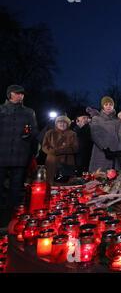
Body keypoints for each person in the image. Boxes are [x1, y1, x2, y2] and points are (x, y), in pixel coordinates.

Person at [0, 85, 38, 225]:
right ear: (10, 94)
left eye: (22, 94)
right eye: (18, 93)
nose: (21, 96)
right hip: (2, 153)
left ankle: (13, 218)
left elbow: (34, 131)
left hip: (20, 153)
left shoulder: (29, 112)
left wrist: (28, 136)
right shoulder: (1, 110)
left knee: (16, 187)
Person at [89, 96, 121, 171]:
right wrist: (104, 149)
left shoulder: (117, 120)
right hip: (101, 152)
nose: (108, 106)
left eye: (110, 104)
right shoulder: (96, 119)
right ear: (103, 106)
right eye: (106, 104)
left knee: (115, 177)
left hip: (114, 153)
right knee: (99, 177)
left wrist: (119, 150)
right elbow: (95, 135)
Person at [42, 115, 78, 185]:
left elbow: (75, 148)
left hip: (67, 161)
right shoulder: (50, 133)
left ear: (68, 124)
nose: (62, 124)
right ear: (56, 123)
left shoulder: (72, 134)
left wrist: (60, 151)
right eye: (60, 122)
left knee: (66, 183)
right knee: (51, 182)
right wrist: (53, 152)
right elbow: (44, 146)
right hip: (52, 161)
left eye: (64, 122)